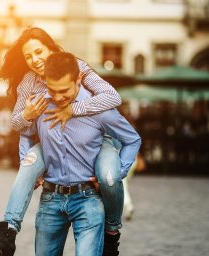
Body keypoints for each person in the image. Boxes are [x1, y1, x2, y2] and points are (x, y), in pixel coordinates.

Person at [0, 27, 125, 256]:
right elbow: (18, 126)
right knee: (27, 166)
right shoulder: (29, 81)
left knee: (110, 178)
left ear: (51, 47)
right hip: (51, 144)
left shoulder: (75, 67)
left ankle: (112, 233)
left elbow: (112, 97)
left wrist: (73, 109)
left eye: (38, 52)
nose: (34, 60)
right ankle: (7, 233)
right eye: (28, 56)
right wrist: (27, 114)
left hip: (89, 141)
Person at [26, 52, 141, 255]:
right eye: (53, 90)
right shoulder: (40, 105)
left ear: (78, 79)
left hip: (88, 200)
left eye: (64, 90)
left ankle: (113, 230)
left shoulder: (100, 109)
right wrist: (30, 166)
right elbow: (24, 134)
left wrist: (116, 173)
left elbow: (132, 139)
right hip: (50, 200)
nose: (58, 97)